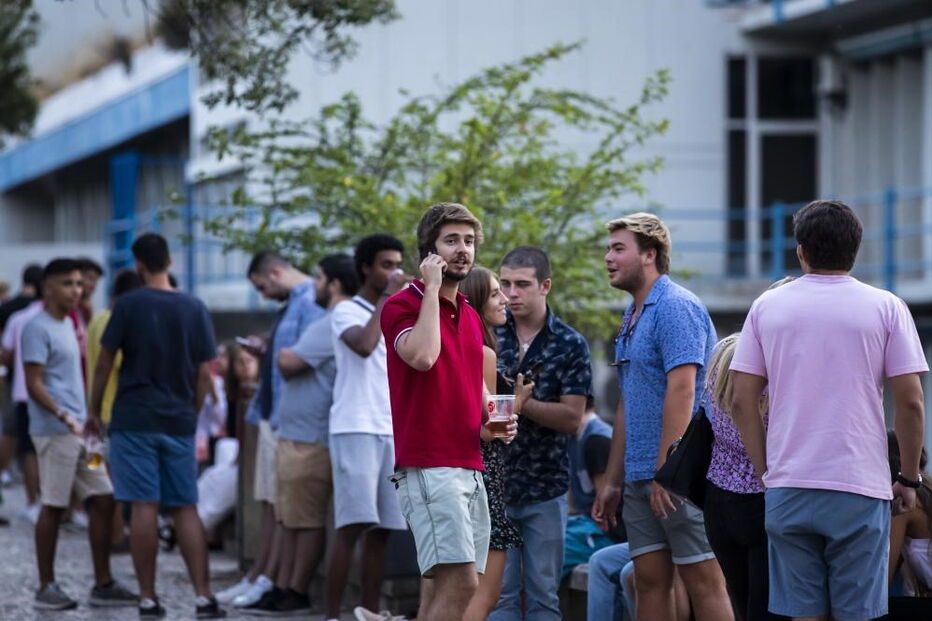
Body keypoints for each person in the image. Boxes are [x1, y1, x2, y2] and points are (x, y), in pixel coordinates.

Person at [730, 199, 928, 621]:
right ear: (856, 249)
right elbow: (910, 401)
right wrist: (908, 477)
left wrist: (767, 470)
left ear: (800, 250)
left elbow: (741, 399)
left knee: (804, 615)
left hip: (789, 484)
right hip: (858, 485)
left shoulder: (767, 307)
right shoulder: (887, 308)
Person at [593, 213, 732, 621]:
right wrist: (612, 480)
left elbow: (683, 389)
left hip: (678, 474)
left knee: (704, 582)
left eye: (619, 248)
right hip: (640, 475)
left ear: (649, 254)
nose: (608, 257)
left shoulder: (675, 306)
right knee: (650, 582)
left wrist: (666, 471)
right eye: (609, 248)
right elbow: (627, 400)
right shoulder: (631, 314)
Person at [382, 203, 510, 620]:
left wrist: (498, 423)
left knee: (456, 587)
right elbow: (422, 357)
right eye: (451, 240)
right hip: (429, 463)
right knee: (462, 582)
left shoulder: (472, 317)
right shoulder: (402, 306)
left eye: (469, 241)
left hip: (470, 466)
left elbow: (477, 398)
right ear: (429, 251)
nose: (463, 250)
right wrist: (432, 290)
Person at [88, 233, 225, 618]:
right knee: (185, 507)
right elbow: (204, 374)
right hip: (178, 419)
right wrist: (191, 411)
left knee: (143, 505)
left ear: (139, 265)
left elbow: (104, 363)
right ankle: (204, 596)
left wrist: (94, 412)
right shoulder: (194, 307)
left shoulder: (128, 304)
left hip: (133, 418)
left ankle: (148, 597)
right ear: (170, 262)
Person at [23, 258, 137, 610]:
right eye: (67, 284)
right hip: (56, 432)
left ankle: (103, 583)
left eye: (78, 283)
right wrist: (64, 415)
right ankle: (46, 586)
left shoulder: (73, 321)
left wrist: (87, 418)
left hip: (84, 433)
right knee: (54, 505)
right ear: (48, 288)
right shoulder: (36, 328)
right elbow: (34, 383)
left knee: (104, 496)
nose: (77, 290)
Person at [490, 246, 592, 621]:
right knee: (498, 599)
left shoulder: (569, 343)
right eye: (505, 284)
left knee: (543, 597)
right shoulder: (490, 335)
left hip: (545, 488)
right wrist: (514, 404)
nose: (511, 293)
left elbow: (571, 418)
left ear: (544, 286)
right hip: (494, 487)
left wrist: (522, 404)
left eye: (521, 284)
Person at [221, 250, 325, 611]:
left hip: (295, 422)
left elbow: (306, 358)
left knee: (290, 511)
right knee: (276, 507)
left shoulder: (311, 300)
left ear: (276, 272)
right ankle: (266, 578)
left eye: (262, 285)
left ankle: (279, 583)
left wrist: (279, 358)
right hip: (279, 417)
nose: (263, 293)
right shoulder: (297, 303)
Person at [260, 254, 355, 616]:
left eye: (318, 278)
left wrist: (285, 352)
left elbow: (287, 361)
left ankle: (295, 590)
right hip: (299, 435)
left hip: (310, 438)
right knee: (290, 517)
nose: (313, 285)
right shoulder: (333, 320)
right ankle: (282, 585)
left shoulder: (334, 320)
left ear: (333, 284)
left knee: (305, 519)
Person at [326, 235, 409, 621]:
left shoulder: (397, 309)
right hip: (354, 426)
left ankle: (371, 613)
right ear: (365, 268)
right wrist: (387, 300)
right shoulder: (345, 310)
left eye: (397, 264)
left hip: (391, 427)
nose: (393, 271)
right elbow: (363, 344)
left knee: (384, 530)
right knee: (352, 525)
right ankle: (331, 613)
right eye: (385, 265)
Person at [460, 266, 531, 621]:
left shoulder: (462, 346)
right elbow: (488, 426)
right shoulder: (483, 352)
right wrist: (515, 407)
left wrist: (512, 403)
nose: (504, 298)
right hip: (484, 477)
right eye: (494, 293)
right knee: (483, 596)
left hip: (465, 476)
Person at [702, 332, 788, 621]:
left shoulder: (723, 352)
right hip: (763, 497)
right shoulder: (773, 368)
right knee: (767, 607)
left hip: (718, 496)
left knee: (740, 601)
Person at [0, 262, 44, 520]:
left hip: (19, 386)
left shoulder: (11, 312)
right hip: (47, 393)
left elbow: (5, 354)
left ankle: (30, 498)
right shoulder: (47, 316)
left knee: (15, 434)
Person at [562, 396, 620, 579]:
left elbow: (603, 511)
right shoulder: (574, 438)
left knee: (541, 556)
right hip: (583, 525)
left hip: (606, 534)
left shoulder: (598, 439)